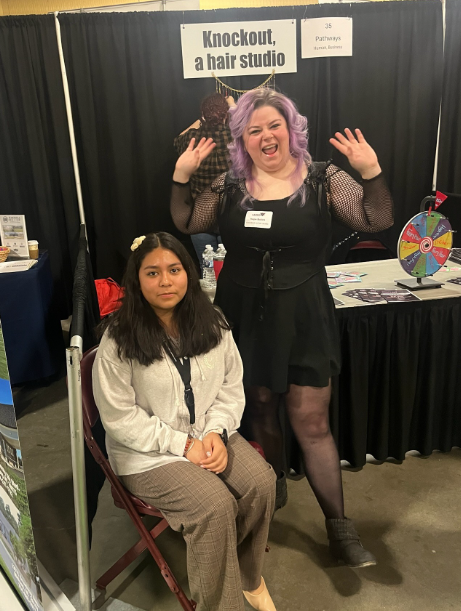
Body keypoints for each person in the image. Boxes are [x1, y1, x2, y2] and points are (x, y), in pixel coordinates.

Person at [170, 88, 394, 568]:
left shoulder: (321, 177)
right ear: (242, 140)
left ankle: (339, 527)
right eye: (254, 130)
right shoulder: (231, 185)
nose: (266, 136)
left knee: (311, 421)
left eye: (274, 125)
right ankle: (271, 488)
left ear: (291, 129)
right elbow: (188, 222)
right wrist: (181, 178)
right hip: (243, 313)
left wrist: (370, 171)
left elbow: (379, 218)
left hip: (306, 314)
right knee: (262, 409)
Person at [92, 232, 277, 611]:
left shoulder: (212, 321)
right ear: (136, 279)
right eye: (152, 273)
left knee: (262, 483)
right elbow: (119, 417)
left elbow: (230, 385)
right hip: (148, 454)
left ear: (188, 273)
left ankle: (246, 578)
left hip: (208, 434)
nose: (165, 281)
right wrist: (183, 446)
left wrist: (215, 432)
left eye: (174, 270)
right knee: (214, 506)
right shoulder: (118, 339)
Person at [174, 93, 235, 273]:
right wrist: (231, 106)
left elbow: (178, 138)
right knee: (231, 271)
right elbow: (245, 124)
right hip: (229, 216)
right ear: (225, 115)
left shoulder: (191, 140)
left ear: (203, 115)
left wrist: (202, 118)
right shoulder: (234, 137)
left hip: (199, 216)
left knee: (207, 271)